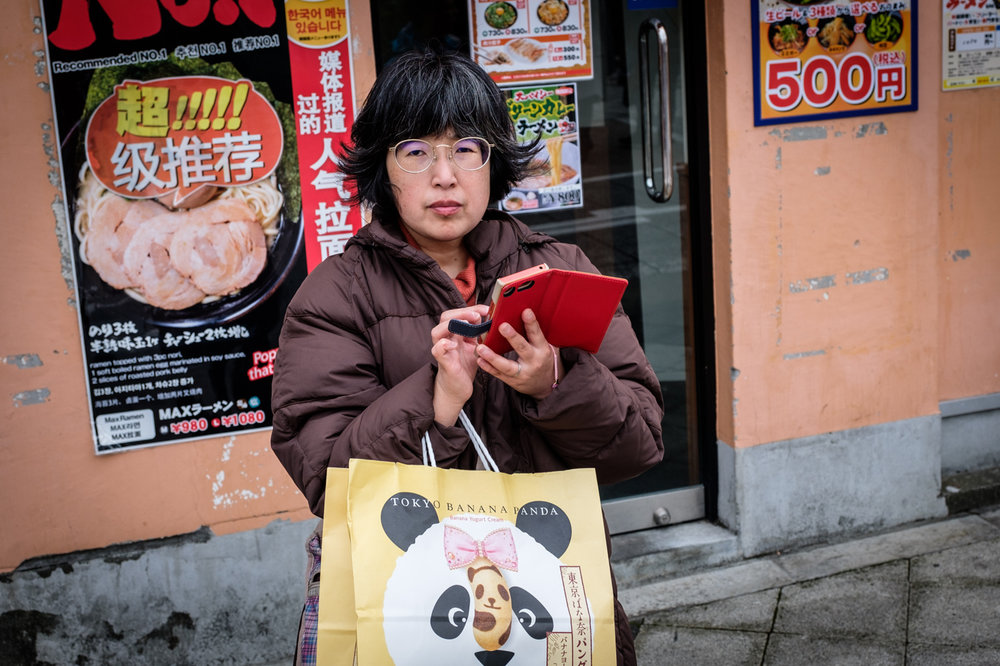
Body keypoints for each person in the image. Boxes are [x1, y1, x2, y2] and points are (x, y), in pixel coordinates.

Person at [270, 49, 664, 666]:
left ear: (493, 163)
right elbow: (329, 482)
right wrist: (435, 404)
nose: (445, 175)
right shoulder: (333, 297)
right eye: (416, 151)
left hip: (546, 583)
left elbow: (639, 444)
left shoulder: (562, 272)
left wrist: (553, 383)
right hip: (404, 596)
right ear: (382, 169)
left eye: (465, 148)